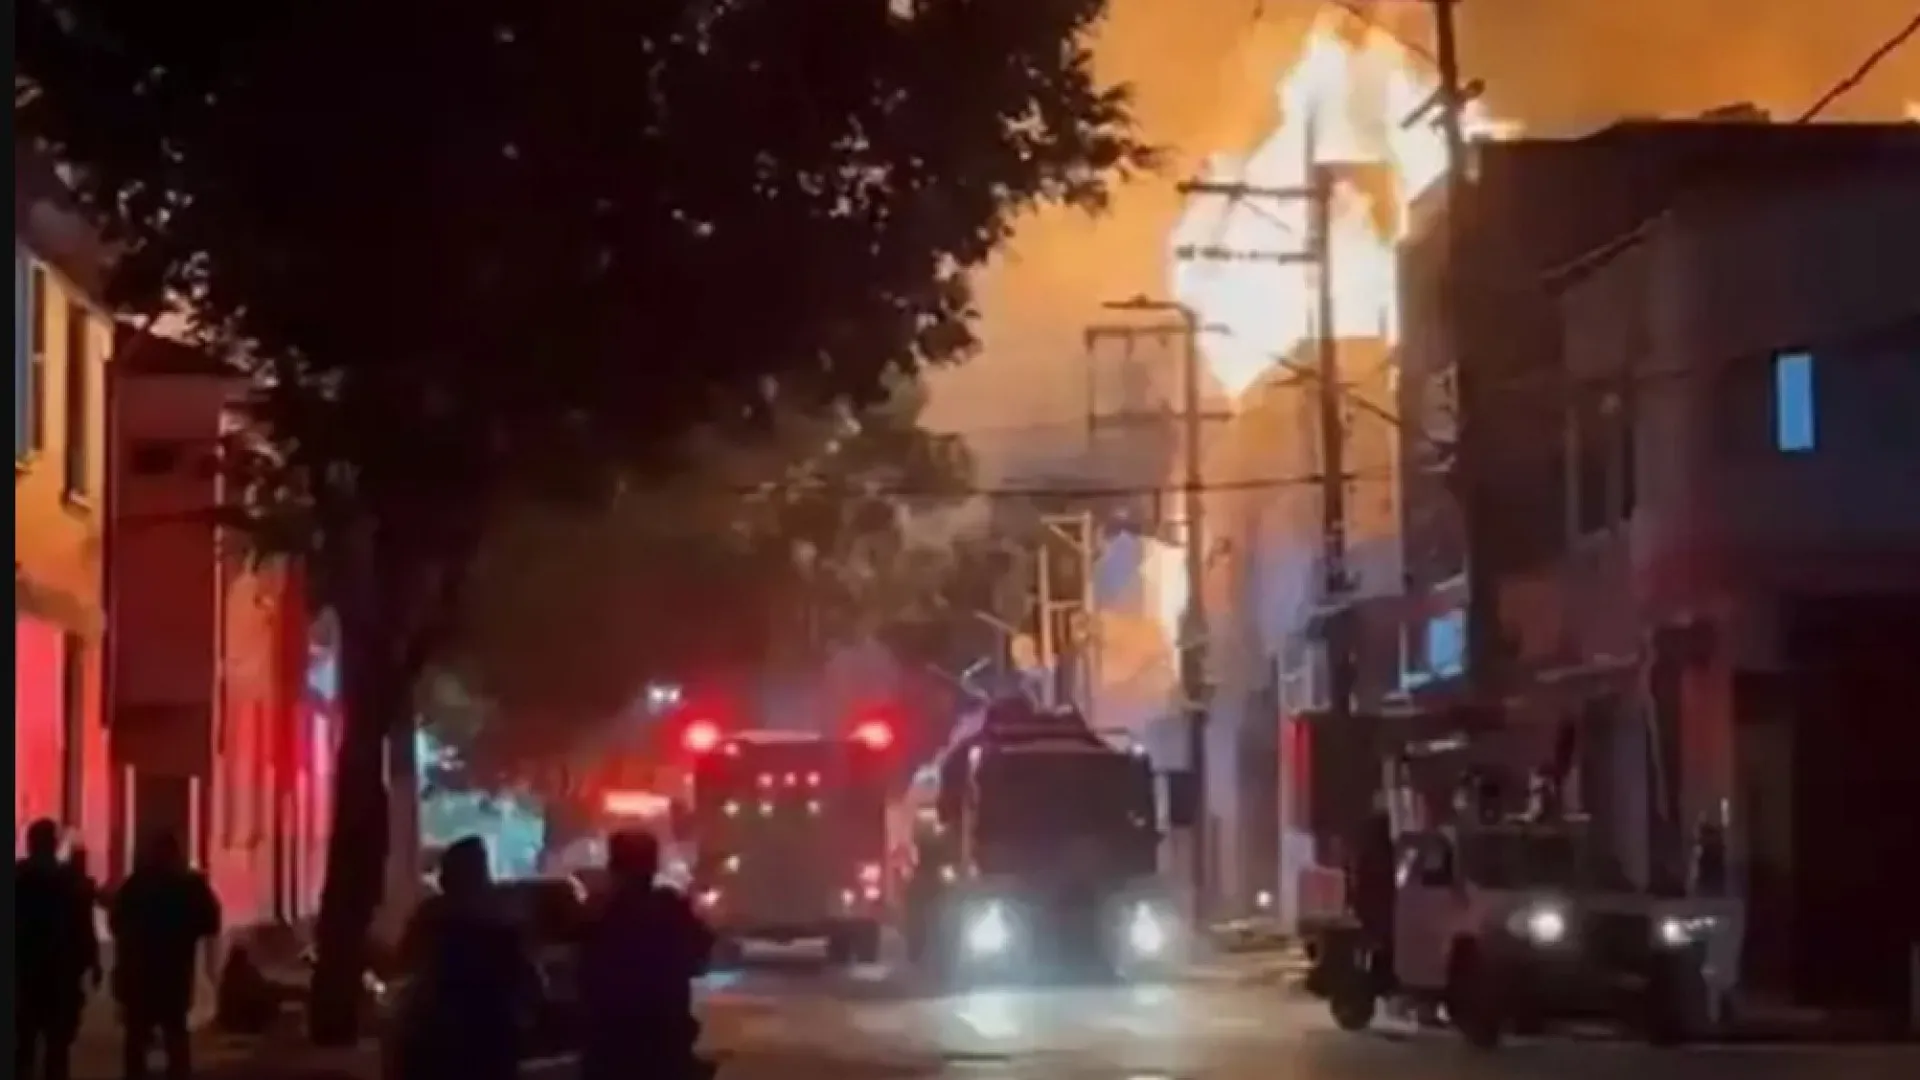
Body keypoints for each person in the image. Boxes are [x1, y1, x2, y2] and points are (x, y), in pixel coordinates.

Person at [393, 836, 537, 1080]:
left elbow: (406, 961)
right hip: (491, 1037)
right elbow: (526, 980)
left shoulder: (433, 916)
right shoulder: (502, 917)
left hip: (440, 1038)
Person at [578, 829, 715, 1080]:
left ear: (613, 866)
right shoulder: (669, 908)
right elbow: (701, 951)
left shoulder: (599, 912)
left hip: (614, 1040)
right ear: (653, 866)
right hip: (659, 1037)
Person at [109, 830, 221, 1080]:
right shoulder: (189, 886)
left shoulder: (136, 885)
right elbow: (212, 923)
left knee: (137, 1040)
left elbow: (116, 923)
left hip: (140, 975)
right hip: (174, 973)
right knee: (175, 1037)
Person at [17, 819, 102, 1080]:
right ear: (54, 845)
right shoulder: (71, 881)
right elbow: (84, 926)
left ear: (30, 844)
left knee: (22, 1048)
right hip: (60, 974)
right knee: (57, 1051)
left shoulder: (16, 877)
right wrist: (93, 962)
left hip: (24, 973)